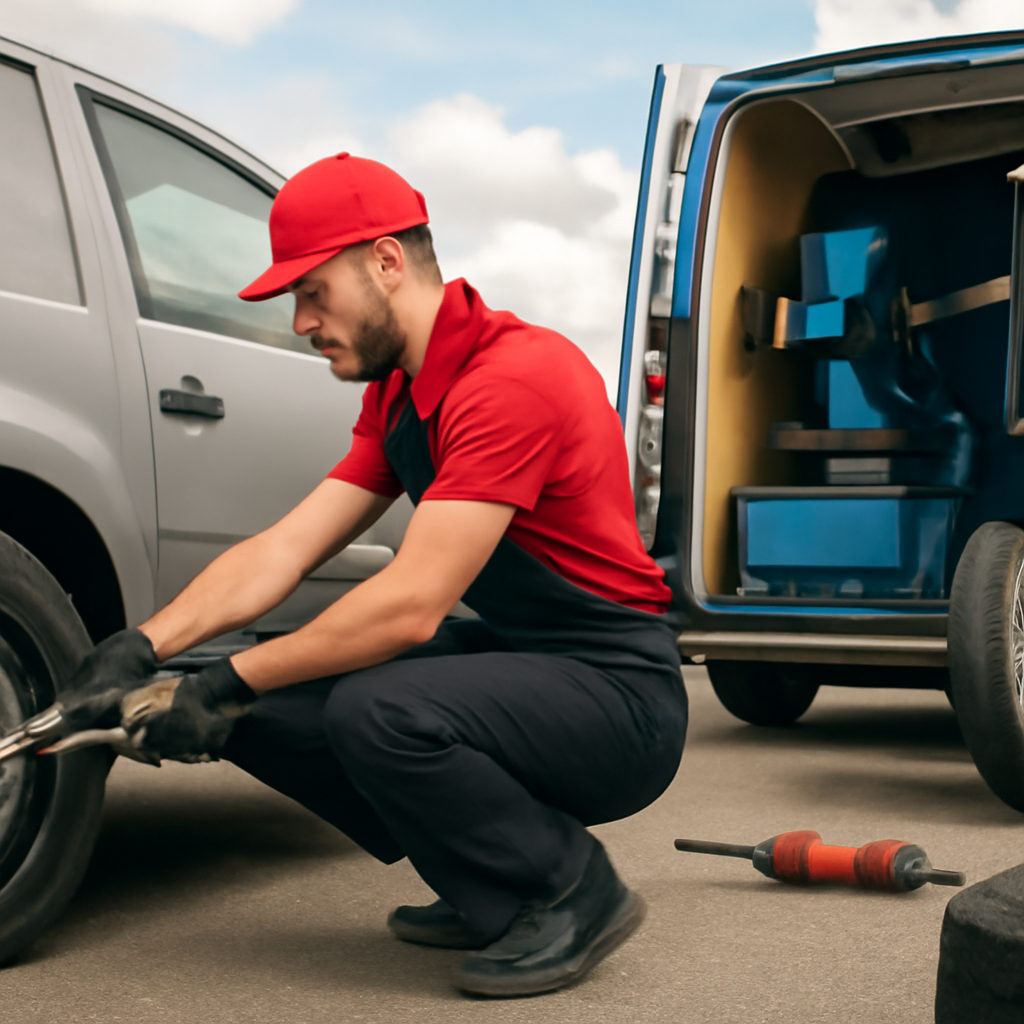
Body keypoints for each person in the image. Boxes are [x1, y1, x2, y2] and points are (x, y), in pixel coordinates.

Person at [64, 153, 688, 997]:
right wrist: (146, 648)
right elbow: (286, 549)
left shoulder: (513, 380)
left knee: (375, 704)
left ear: (386, 262)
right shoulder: (402, 393)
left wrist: (224, 681)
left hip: (621, 695)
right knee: (273, 702)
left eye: (312, 292)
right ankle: (486, 883)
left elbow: (410, 608)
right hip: (535, 662)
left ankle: (571, 886)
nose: (299, 322)